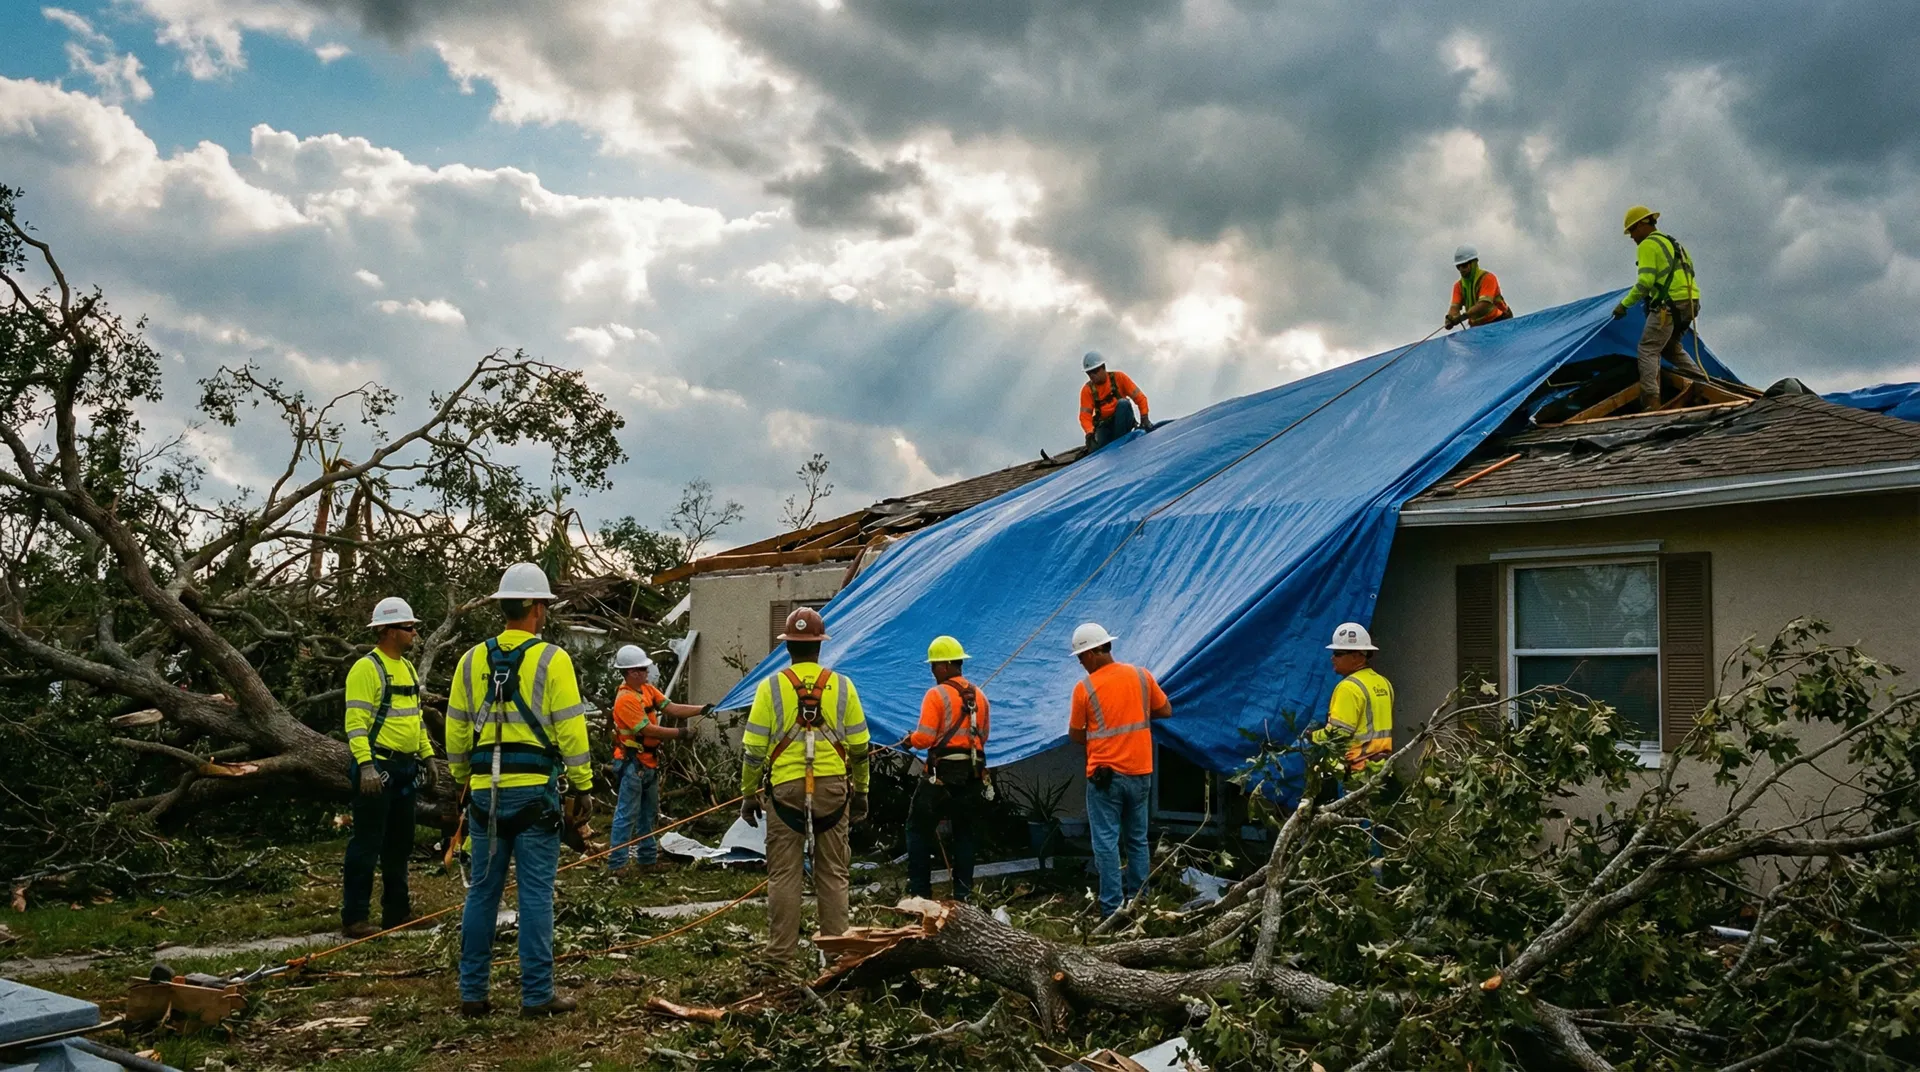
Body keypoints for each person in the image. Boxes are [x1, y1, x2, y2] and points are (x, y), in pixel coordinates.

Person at [446, 562, 593, 1019]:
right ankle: (536, 995)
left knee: (482, 894)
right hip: (534, 797)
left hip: (484, 798)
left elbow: (455, 732)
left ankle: (472, 994)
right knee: (534, 895)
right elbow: (571, 730)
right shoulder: (553, 660)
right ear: (538, 608)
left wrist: (460, 781)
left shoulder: (471, 660)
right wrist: (583, 787)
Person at [737, 607, 871, 969]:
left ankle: (780, 956)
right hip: (831, 790)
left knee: (784, 873)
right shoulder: (843, 686)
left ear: (787, 647)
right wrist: (861, 792)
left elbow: (753, 752)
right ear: (820, 646)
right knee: (833, 872)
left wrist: (749, 795)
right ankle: (838, 954)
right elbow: (860, 748)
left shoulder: (771, 687)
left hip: (785, 792)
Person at [340, 596, 437, 939]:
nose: (414, 633)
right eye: (409, 628)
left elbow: (415, 719)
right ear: (388, 631)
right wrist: (365, 766)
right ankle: (355, 917)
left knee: (400, 843)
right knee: (367, 843)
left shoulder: (408, 669)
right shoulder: (367, 669)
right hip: (377, 767)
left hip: (405, 768)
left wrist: (426, 756)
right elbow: (355, 722)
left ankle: (397, 913)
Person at [1066, 622, 1171, 918]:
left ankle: (1112, 909)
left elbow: (1075, 734)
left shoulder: (1085, 688)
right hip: (1140, 773)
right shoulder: (1141, 676)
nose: (1081, 663)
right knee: (1137, 840)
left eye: (1081, 657)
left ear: (1094, 652)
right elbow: (1165, 709)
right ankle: (1141, 903)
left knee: (1106, 843)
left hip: (1105, 778)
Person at [606, 644, 710, 876]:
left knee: (647, 815)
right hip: (632, 764)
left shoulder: (647, 690)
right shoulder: (625, 699)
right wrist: (681, 734)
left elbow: (671, 708)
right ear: (631, 672)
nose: (646, 672)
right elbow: (649, 730)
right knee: (626, 815)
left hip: (648, 763)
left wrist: (701, 709)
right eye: (642, 669)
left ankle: (646, 860)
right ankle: (617, 865)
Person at [905, 635, 992, 902]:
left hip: (941, 776)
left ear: (944, 666)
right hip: (973, 774)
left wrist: (910, 740)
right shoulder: (980, 696)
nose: (932, 672)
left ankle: (920, 893)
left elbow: (926, 738)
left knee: (917, 829)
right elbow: (983, 736)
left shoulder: (936, 695)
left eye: (933, 666)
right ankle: (963, 895)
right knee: (965, 833)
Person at [1611, 206, 1704, 407]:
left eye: (1632, 231)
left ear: (1643, 225)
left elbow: (1645, 282)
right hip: (1690, 303)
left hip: (1669, 306)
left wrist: (1624, 305)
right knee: (1670, 348)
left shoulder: (1647, 245)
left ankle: (1651, 401)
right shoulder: (1675, 244)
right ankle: (1702, 384)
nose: (1632, 237)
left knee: (1647, 349)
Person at [1311, 622, 1395, 784]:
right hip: (1380, 768)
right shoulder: (1383, 683)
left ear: (1357, 656)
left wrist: (1311, 737)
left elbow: (1338, 734)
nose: (1332, 658)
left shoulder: (1348, 688)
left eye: (1338, 653)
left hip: (1356, 772)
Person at [1079, 351, 1151, 451]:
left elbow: (1140, 398)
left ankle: (1121, 441)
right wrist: (1089, 433)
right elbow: (1084, 416)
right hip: (1105, 426)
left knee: (1123, 404)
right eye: (1089, 373)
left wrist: (1144, 418)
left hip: (1122, 420)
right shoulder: (1087, 390)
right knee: (1098, 449)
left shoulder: (1119, 378)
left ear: (1103, 367)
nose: (1092, 375)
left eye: (1094, 371)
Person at [1443, 244, 1513, 329]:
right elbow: (1454, 306)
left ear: (1474, 263)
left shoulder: (1488, 278)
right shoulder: (1458, 286)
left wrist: (1463, 317)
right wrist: (1450, 318)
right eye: (1458, 266)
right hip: (1477, 327)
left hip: (1499, 321)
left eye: (1464, 265)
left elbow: (1484, 305)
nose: (1461, 269)